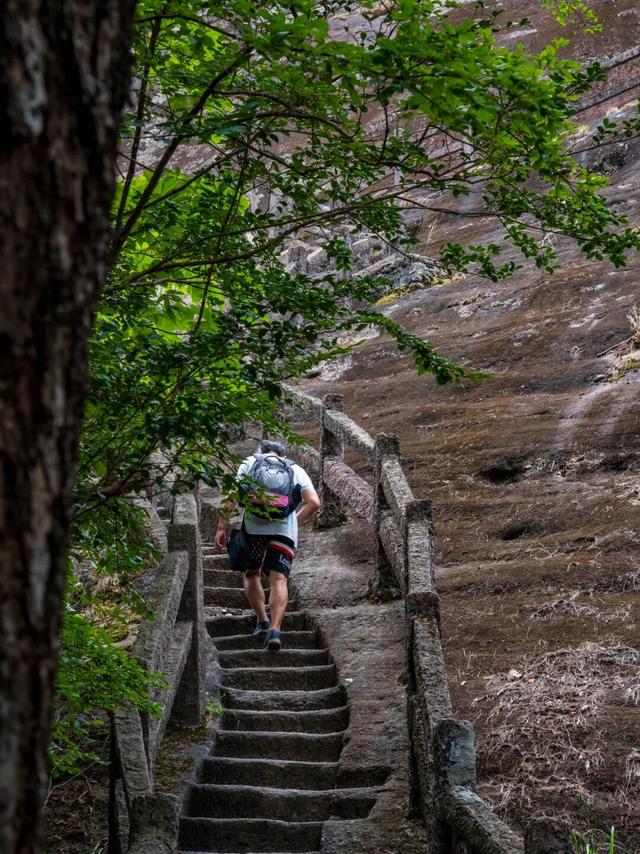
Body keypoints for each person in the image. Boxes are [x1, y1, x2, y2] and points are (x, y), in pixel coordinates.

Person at [214, 440, 321, 650]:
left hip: (254, 529)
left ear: (261, 452)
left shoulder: (250, 462)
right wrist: (294, 522)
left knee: (251, 574)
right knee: (279, 579)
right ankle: (275, 630)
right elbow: (314, 503)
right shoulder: (294, 468)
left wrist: (221, 527)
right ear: (283, 454)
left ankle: (262, 620)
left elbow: (233, 494)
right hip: (284, 531)